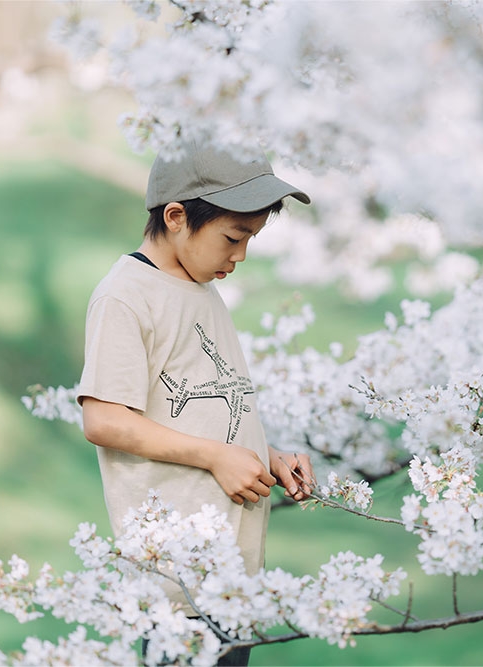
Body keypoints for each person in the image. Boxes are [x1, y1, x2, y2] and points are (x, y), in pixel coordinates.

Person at [77, 137, 315, 666]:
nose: (241, 255)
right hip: (181, 582)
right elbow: (103, 418)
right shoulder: (127, 296)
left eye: (250, 239)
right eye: (234, 237)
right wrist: (216, 456)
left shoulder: (202, 290)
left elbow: (209, 406)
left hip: (231, 575)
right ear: (178, 216)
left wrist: (265, 458)